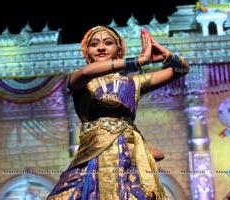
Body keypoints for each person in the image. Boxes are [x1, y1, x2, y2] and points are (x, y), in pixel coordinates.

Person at [47, 25, 189, 200]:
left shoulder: (133, 83)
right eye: (94, 44)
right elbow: (86, 72)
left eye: (108, 43)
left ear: (118, 51)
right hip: (93, 155)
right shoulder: (81, 78)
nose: (101, 47)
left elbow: (182, 70)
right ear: (87, 54)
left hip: (128, 154)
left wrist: (166, 55)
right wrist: (137, 61)